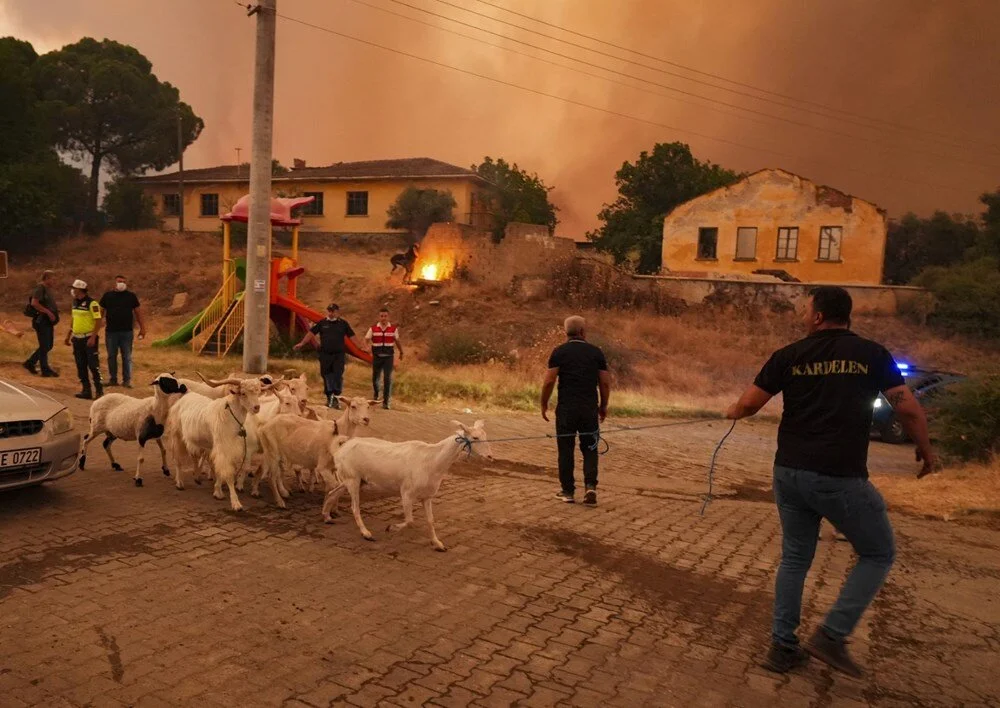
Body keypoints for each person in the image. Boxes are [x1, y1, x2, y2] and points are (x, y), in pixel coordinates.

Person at [725, 286, 938, 678]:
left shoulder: (789, 355)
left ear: (819, 316)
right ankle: (832, 634)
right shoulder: (872, 354)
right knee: (878, 553)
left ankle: (782, 647)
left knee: (794, 559)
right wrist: (926, 450)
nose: (805, 317)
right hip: (840, 476)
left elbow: (750, 405)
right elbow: (907, 408)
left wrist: (731, 411)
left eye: (807, 311)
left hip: (789, 474)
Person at [540, 315, 611, 505]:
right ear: (582, 332)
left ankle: (568, 491)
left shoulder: (559, 352)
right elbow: (604, 382)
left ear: (566, 332)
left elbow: (549, 381)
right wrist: (603, 405)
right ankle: (590, 487)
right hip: (588, 409)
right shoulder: (596, 353)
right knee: (590, 448)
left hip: (566, 409)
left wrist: (544, 403)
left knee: (565, 449)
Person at [293, 303, 363, 409]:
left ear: (337, 312)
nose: (330, 313)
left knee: (338, 375)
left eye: (333, 311)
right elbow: (311, 333)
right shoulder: (322, 323)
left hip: (338, 355)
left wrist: (361, 347)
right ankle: (329, 397)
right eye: (329, 311)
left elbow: (352, 336)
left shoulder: (343, 324)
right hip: (325, 355)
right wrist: (302, 343)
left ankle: (336, 397)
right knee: (327, 376)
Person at [99, 274, 146, 388]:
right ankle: (113, 379)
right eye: (119, 281)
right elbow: (100, 311)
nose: (122, 284)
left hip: (127, 332)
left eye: (124, 282)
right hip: (111, 332)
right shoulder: (107, 296)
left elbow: (138, 312)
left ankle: (127, 380)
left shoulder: (131, 296)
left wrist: (142, 328)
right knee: (111, 356)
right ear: (115, 283)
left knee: (127, 356)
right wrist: (97, 325)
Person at [65, 279, 104, 400]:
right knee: (80, 365)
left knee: (93, 365)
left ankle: (99, 391)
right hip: (77, 338)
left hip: (88, 337)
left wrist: (93, 337)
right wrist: (68, 335)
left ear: (80, 290)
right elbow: (74, 319)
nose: (73, 291)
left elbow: (98, 320)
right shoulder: (75, 302)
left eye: (74, 288)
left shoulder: (92, 304)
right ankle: (86, 390)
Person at [365, 307, 404, 410]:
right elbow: (367, 339)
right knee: (375, 378)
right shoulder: (373, 328)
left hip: (388, 358)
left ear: (388, 316)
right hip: (377, 357)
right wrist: (367, 348)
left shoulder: (393, 329)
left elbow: (397, 341)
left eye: (385, 316)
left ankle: (386, 402)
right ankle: (376, 393)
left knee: (387, 379)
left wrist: (401, 351)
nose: (383, 318)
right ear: (379, 317)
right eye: (381, 316)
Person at [23, 270, 60, 377]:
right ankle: (44, 368)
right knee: (45, 345)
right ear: (47, 278)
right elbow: (34, 303)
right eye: (53, 279)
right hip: (41, 321)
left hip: (47, 321)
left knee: (49, 345)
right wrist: (48, 312)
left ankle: (31, 362)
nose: (54, 281)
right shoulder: (40, 288)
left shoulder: (48, 289)